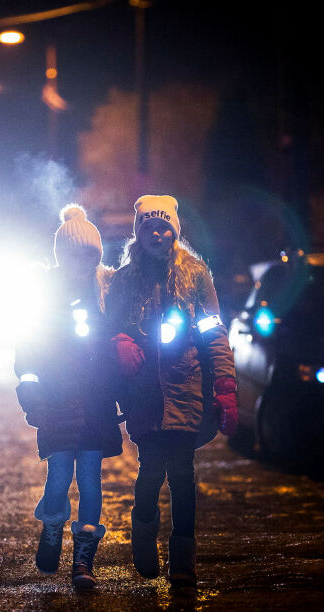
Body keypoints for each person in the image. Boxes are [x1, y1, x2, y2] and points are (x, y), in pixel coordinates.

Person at [104, 194, 238, 587]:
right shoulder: (125, 279)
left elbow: (213, 330)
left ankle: (183, 561)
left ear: (175, 233)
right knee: (149, 472)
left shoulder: (195, 274)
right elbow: (109, 326)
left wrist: (225, 385)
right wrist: (119, 342)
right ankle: (144, 542)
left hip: (185, 390)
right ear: (139, 232)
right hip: (144, 394)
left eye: (164, 228)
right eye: (149, 227)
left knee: (182, 475)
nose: (157, 234)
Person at [14, 203, 123, 589]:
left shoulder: (105, 292)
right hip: (57, 406)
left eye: (91, 255)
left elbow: (115, 351)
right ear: (62, 255)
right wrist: (34, 399)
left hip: (94, 407)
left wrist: (125, 390)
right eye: (77, 255)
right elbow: (27, 355)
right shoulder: (44, 297)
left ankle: (83, 558)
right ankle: (52, 527)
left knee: (91, 480)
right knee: (59, 477)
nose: (84, 262)